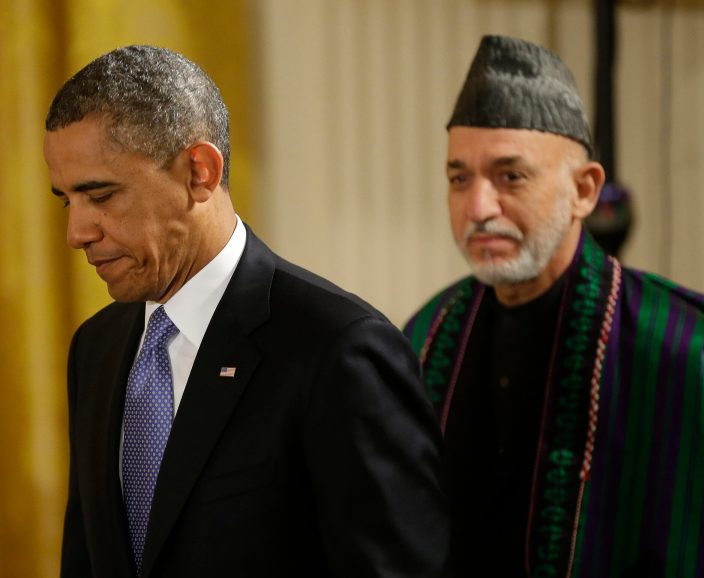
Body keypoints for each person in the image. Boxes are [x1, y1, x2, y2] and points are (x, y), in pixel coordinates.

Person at [45, 45, 449, 578]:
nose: (77, 233)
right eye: (65, 201)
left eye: (101, 195)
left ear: (200, 173)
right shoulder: (94, 348)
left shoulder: (339, 349)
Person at [404, 35, 704, 577]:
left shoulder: (674, 348)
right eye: (460, 178)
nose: (478, 206)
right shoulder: (427, 335)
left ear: (585, 190)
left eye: (510, 176)